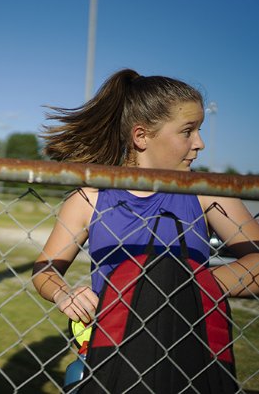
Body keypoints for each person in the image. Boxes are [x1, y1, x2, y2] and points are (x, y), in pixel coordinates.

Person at [32, 68, 259, 391]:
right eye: (188, 131)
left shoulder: (208, 192)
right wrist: (64, 293)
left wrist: (185, 286)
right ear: (141, 137)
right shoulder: (89, 198)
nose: (200, 143)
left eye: (199, 130)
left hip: (191, 351)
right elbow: (44, 271)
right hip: (114, 353)